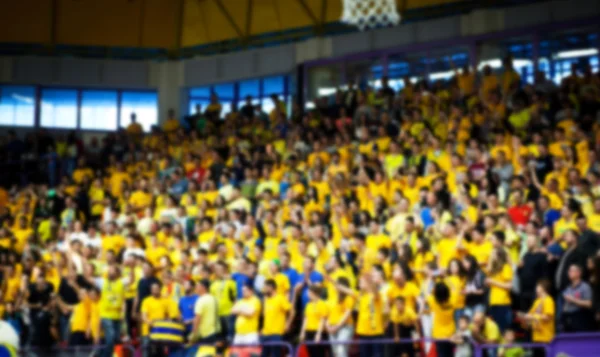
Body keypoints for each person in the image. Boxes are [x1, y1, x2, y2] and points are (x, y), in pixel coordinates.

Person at [519, 280, 555, 357]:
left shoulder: (548, 300)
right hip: (536, 337)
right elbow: (530, 315)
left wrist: (533, 316)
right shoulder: (537, 301)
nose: (536, 288)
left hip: (546, 337)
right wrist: (524, 318)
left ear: (543, 288)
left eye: (537, 286)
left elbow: (548, 317)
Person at [262, 279, 294, 357]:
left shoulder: (280, 298)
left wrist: (288, 324)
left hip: (276, 333)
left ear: (271, 287)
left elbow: (292, 311)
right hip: (265, 333)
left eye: (265, 287)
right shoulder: (266, 299)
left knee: (275, 355)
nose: (264, 289)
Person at [98, 264, 125, 357]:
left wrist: (132, 268)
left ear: (117, 273)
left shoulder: (121, 282)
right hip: (106, 315)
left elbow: (132, 280)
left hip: (117, 315)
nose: (110, 272)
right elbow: (88, 278)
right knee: (111, 336)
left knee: (116, 339)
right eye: (109, 270)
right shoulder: (102, 282)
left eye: (112, 270)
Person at [325, 277, 354, 357]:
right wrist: (327, 326)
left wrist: (337, 326)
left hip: (345, 327)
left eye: (337, 284)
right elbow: (328, 314)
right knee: (336, 353)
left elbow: (347, 314)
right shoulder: (332, 297)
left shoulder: (349, 297)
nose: (334, 286)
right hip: (332, 327)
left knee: (341, 350)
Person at [426, 281, 455, 357]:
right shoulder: (453, 299)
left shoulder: (433, 301)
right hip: (450, 333)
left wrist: (431, 279)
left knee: (441, 354)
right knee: (450, 354)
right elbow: (454, 288)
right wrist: (445, 279)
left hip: (438, 334)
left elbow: (428, 292)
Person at [561, 264, 593, 332]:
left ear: (579, 273)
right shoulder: (568, 288)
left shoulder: (585, 287)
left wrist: (573, 300)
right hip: (567, 318)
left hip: (580, 318)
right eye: (569, 271)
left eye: (571, 270)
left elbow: (589, 303)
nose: (569, 272)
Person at [140, 282, 169, 356]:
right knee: (146, 352)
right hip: (147, 331)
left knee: (161, 353)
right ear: (151, 290)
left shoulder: (165, 301)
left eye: (157, 288)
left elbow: (167, 316)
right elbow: (144, 316)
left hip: (161, 332)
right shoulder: (146, 301)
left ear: (160, 289)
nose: (155, 290)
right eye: (153, 289)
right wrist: (152, 324)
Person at [299, 286, 327, 357]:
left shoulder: (322, 304)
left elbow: (322, 320)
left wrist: (318, 334)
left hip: (317, 332)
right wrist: (303, 332)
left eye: (309, 292)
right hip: (309, 332)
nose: (307, 294)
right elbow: (306, 319)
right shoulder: (308, 305)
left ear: (314, 293)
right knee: (311, 353)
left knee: (319, 354)